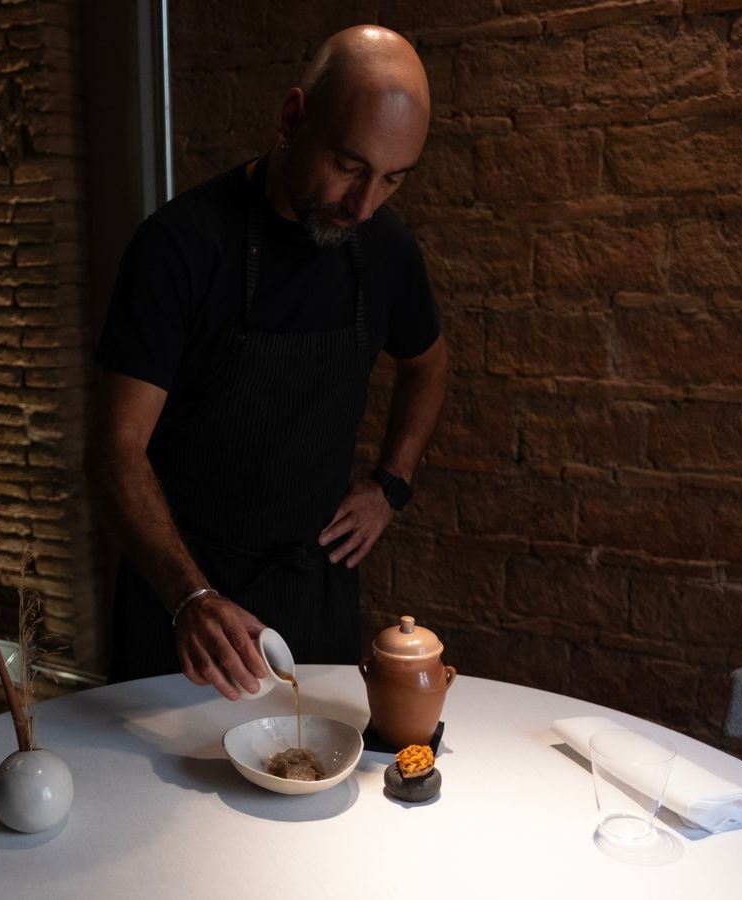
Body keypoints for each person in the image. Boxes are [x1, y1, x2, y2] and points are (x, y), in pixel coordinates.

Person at [86, 25, 448, 701]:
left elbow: (427, 365)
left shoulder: (386, 250)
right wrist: (188, 594)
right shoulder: (180, 248)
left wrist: (390, 486)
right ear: (292, 118)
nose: (364, 205)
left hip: (315, 591)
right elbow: (114, 451)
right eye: (349, 166)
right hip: (186, 601)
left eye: (392, 180)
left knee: (312, 788)